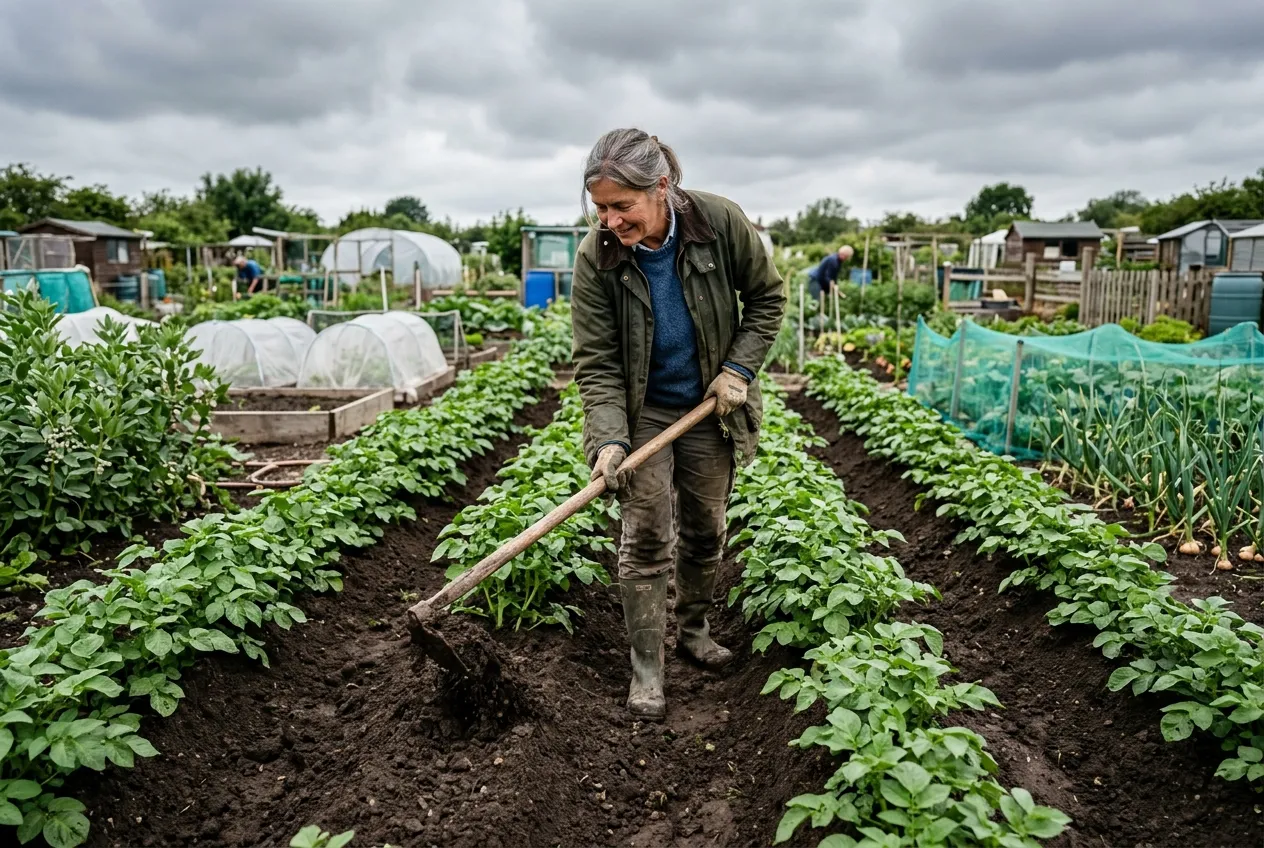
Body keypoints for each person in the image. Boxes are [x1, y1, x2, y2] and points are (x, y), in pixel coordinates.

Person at [571, 128, 786, 719]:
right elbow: (598, 362)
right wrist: (611, 438)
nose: (611, 220)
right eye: (602, 208)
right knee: (643, 536)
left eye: (623, 206)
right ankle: (647, 667)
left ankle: (693, 631)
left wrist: (738, 369)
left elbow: (768, 299)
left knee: (704, 529)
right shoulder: (598, 257)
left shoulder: (719, 223)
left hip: (710, 405)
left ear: (661, 187)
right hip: (645, 411)